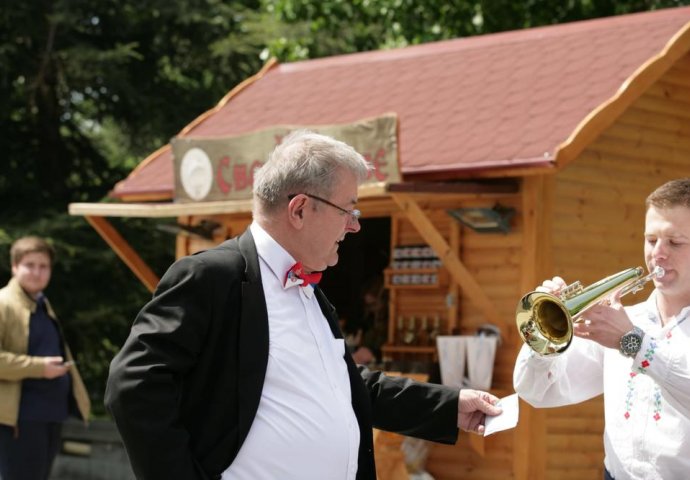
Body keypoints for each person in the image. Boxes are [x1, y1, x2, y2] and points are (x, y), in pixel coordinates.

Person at [105, 130, 502, 480]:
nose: (355, 225)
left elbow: (348, 386)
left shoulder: (310, 292)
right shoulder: (213, 276)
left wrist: (449, 406)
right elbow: (134, 384)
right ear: (299, 209)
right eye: (348, 210)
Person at [513, 178, 690, 480]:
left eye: (675, 242)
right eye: (651, 240)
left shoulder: (624, 330)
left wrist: (633, 342)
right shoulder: (625, 319)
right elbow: (536, 392)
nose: (657, 254)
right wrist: (546, 337)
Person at [0, 236, 91, 480]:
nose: (37, 272)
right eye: (30, 265)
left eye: (44, 266)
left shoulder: (42, 303)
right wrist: (40, 368)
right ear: (14, 266)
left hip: (49, 415)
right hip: (17, 420)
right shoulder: (3, 303)